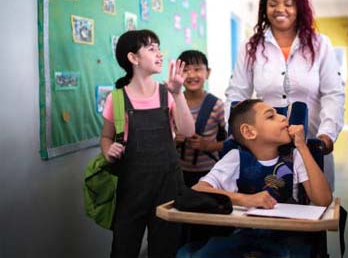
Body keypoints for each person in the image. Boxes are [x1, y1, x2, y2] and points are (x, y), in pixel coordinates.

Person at [224, 0, 345, 191]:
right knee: (268, 206)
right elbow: (237, 94)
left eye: (288, 4)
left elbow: (333, 94)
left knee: (313, 211)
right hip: (264, 148)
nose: (281, 9)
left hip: (311, 145)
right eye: (273, 4)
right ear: (265, 8)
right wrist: (235, 131)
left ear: (299, 7)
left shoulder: (320, 44)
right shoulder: (250, 46)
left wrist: (326, 134)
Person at [182, 99, 332, 258]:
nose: (283, 118)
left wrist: (302, 146)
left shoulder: (296, 157)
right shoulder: (235, 158)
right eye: (270, 117)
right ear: (249, 132)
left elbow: (323, 200)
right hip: (243, 234)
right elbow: (198, 190)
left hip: (286, 237)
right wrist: (244, 199)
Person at [100, 29, 195, 258]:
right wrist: (108, 150)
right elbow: (105, 137)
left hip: (168, 185)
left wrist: (179, 94)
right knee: (124, 247)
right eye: (151, 49)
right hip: (131, 187)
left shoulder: (168, 93)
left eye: (158, 48)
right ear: (133, 58)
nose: (159, 54)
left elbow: (188, 131)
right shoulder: (117, 98)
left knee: (165, 248)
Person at [175, 50, 226, 187]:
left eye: (197, 69)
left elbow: (231, 141)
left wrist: (208, 146)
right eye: (185, 70)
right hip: (179, 172)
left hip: (210, 173)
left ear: (208, 73)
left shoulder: (217, 105)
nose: (191, 75)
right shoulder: (173, 102)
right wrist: (174, 139)